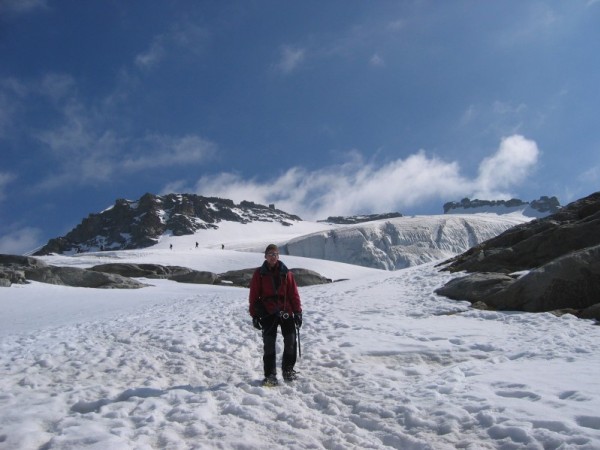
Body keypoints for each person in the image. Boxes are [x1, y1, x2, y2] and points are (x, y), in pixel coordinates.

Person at [249, 244, 303, 385]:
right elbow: (254, 295)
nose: (273, 257)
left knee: (291, 341)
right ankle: (270, 375)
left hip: (286, 310)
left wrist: (298, 312)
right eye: (270, 254)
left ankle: (288, 370)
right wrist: (254, 315)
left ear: (278, 256)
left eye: (275, 254)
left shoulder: (287, 273)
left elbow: (293, 294)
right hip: (268, 312)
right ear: (265, 256)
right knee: (269, 344)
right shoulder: (259, 274)